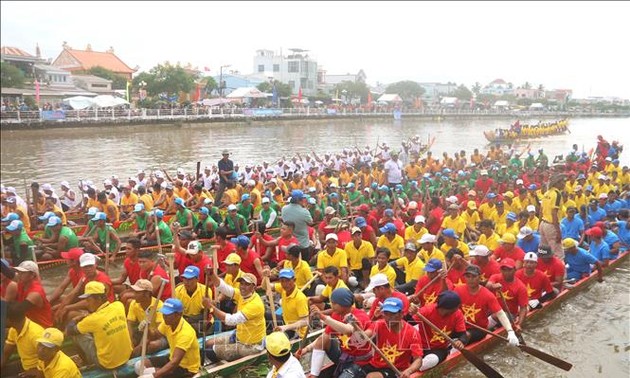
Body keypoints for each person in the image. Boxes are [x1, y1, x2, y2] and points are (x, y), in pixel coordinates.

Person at [300, 287, 372, 378]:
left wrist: (323, 317)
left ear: (344, 303)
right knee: (323, 339)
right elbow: (324, 336)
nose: (331, 305)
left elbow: (348, 330)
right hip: (345, 356)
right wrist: (306, 349)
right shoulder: (336, 315)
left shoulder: (360, 316)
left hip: (360, 362)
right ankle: (313, 375)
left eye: (334, 303)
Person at [65, 281, 132, 369]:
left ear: (99, 299)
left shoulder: (92, 319)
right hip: (126, 356)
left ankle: (86, 362)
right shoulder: (119, 306)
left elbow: (69, 331)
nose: (87, 303)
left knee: (77, 334)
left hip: (107, 364)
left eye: (89, 300)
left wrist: (75, 319)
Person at [203, 272, 266, 362]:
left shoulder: (255, 305)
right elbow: (223, 287)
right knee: (208, 343)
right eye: (242, 283)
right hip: (239, 336)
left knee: (210, 351)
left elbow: (231, 320)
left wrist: (210, 307)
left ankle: (220, 368)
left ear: (254, 287)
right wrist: (212, 274)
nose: (243, 287)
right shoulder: (242, 294)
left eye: (247, 284)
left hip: (251, 345)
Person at [454, 265, 520, 345]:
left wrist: (510, 331)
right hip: (460, 325)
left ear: (480, 278)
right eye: (468, 276)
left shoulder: (488, 295)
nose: (470, 279)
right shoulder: (458, 290)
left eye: (474, 276)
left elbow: (500, 314)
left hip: (479, 329)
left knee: (465, 336)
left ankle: (453, 351)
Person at [361, 297, 424, 377]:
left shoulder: (412, 333)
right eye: (386, 313)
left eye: (392, 314)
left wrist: (409, 370)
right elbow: (364, 336)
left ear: (401, 314)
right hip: (375, 364)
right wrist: (357, 329)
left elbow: (418, 359)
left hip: (396, 369)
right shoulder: (379, 324)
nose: (388, 317)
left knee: (372, 377)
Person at [138, 298, 200, 378]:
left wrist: (154, 376)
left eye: (168, 314)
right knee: (139, 366)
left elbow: (175, 362)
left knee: (147, 374)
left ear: (178, 315)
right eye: (164, 314)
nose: (164, 317)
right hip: (172, 358)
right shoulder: (167, 323)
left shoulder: (186, 333)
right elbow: (155, 336)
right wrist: (147, 329)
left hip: (186, 369)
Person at [410, 291, 466, 372]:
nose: (458, 308)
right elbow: (406, 325)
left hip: (439, 349)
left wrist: (461, 341)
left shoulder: (457, 314)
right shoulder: (426, 311)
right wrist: (410, 313)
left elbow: (463, 334)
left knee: (432, 360)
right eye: (457, 307)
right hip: (421, 346)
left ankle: (412, 370)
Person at [261, 268, 309, 339]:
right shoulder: (283, 288)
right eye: (282, 281)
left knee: (275, 339)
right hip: (285, 321)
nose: (285, 284)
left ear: (294, 280)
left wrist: (285, 327)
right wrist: (265, 277)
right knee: (265, 314)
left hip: (296, 331)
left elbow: (305, 321)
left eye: (288, 280)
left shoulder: (300, 298)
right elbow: (265, 286)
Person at [1, 302, 45, 377]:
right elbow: (6, 353)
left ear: (8, 320)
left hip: (38, 371)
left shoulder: (36, 334)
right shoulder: (14, 330)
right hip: (25, 365)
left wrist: (37, 371)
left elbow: (50, 358)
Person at [486, 258, 529, 329]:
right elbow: (488, 285)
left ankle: (484, 329)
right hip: (493, 309)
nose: (506, 272)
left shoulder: (521, 287)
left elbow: (523, 308)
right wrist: (493, 286)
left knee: (497, 315)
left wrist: (519, 324)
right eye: (504, 270)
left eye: (509, 270)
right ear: (500, 270)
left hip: (510, 314)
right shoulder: (495, 277)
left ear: (514, 270)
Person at [126, 279, 164, 352]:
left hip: (156, 334)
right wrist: (130, 343)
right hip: (142, 330)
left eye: (137, 293)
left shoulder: (159, 305)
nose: (134, 295)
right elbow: (129, 325)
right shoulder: (134, 304)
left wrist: (141, 344)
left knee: (148, 346)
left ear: (146, 294)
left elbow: (159, 331)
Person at [13, 260, 53, 327]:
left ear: (32, 275)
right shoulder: (22, 284)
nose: (19, 275)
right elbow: (7, 273)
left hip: (42, 326)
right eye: (18, 272)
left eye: (22, 273)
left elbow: (18, 310)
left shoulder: (35, 293)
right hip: (29, 323)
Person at [174, 265, 212, 335]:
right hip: (183, 320)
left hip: (199, 319)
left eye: (190, 279)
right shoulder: (177, 291)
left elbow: (206, 313)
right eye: (184, 278)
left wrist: (191, 320)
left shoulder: (205, 291)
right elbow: (175, 312)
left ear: (197, 279)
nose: (186, 282)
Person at [281, 190, 314, 260]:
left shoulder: (284, 208)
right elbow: (311, 223)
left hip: (289, 243)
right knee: (304, 264)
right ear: (300, 200)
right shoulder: (304, 211)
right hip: (303, 244)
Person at [539, 174, 565, 259]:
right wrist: (558, 231)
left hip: (543, 224)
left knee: (544, 252)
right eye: (563, 182)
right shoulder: (557, 194)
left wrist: (539, 225)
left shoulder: (547, 193)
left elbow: (541, 211)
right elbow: (554, 213)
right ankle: (560, 272)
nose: (564, 184)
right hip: (551, 225)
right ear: (557, 183)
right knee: (558, 254)